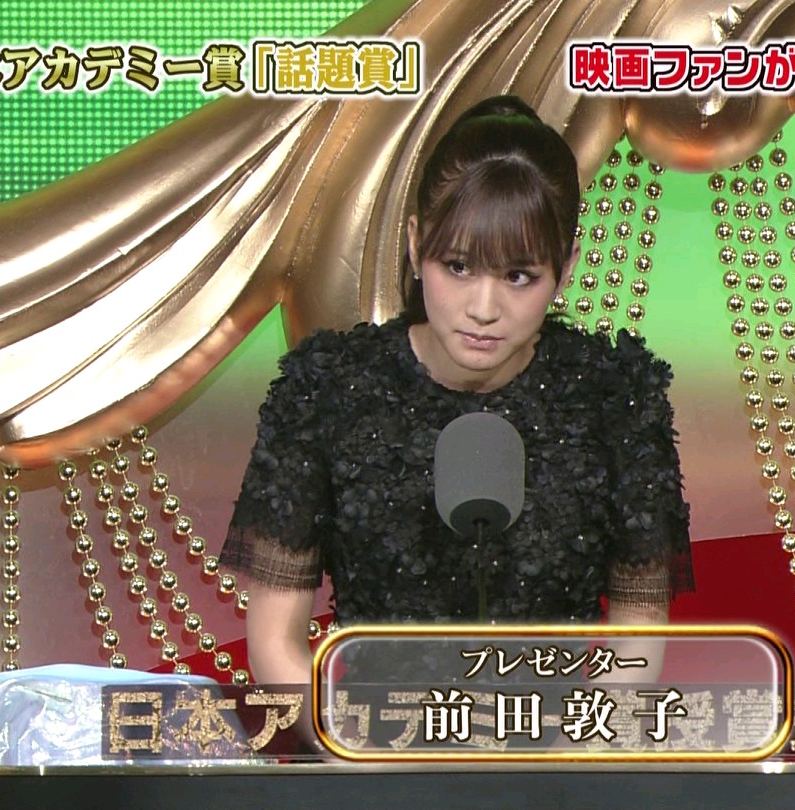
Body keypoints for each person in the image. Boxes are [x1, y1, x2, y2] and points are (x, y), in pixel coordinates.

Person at [219, 95, 693, 748]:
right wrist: (358, 757)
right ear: (417, 245)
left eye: (519, 275)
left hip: (555, 759)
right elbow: (275, 641)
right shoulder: (326, 389)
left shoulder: (616, 397)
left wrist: (577, 755)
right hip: (367, 757)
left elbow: (639, 631)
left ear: (565, 266)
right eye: (459, 267)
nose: (484, 308)